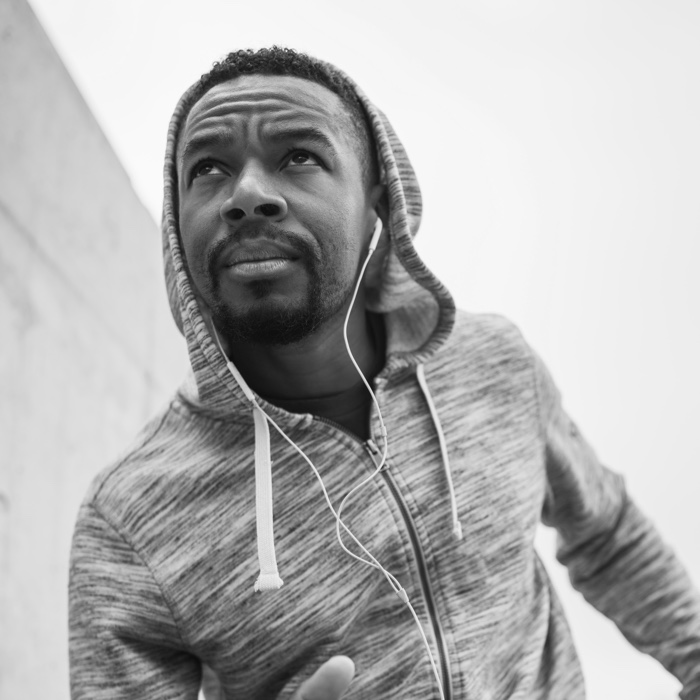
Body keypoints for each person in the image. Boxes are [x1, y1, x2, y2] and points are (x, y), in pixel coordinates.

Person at [68, 46, 700, 700]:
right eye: (208, 168)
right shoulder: (127, 516)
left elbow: (610, 537)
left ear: (379, 202)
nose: (248, 194)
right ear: (176, 224)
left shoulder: (497, 364)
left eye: (299, 156)